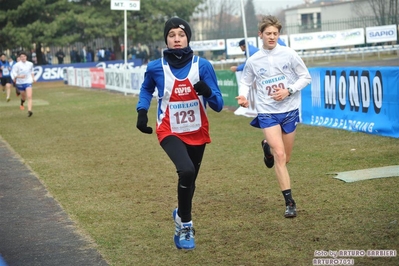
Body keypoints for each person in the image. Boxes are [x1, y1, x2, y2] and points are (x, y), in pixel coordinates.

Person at [136, 17, 224, 250]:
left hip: (197, 131)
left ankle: (180, 214)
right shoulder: (156, 67)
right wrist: (142, 111)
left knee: (190, 180)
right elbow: (146, 89)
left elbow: (218, 104)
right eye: (172, 34)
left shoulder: (202, 66)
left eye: (181, 35)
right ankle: (186, 225)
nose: (176, 39)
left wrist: (208, 92)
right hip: (169, 130)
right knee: (186, 170)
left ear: (188, 38)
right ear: (166, 38)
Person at [235, 15, 311, 218]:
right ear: (260, 35)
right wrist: (243, 96)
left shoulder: (289, 54)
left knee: (285, 157)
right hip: (267, 112)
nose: (272, 37)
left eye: (275, 34)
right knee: (280, 155)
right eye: (268, 33)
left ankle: (266, 147)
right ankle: (290, 202)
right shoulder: (253, 60)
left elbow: (306, 77)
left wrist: (289, 90)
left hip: (289, 111)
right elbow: (246, 80)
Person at [11, 51, 36, 117]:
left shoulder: (30, 64)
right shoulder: (16, 65)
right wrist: (19, 76)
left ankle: (29, 111)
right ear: (19, 57)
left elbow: (32, 72)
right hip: (20, 83)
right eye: (21, 57)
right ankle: (22, 103)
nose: (23, 58)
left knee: (29, 96)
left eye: (24, 56)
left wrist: (33, 78)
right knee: (23, 97)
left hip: (28, 82)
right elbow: (14, 74)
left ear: (26, 57)